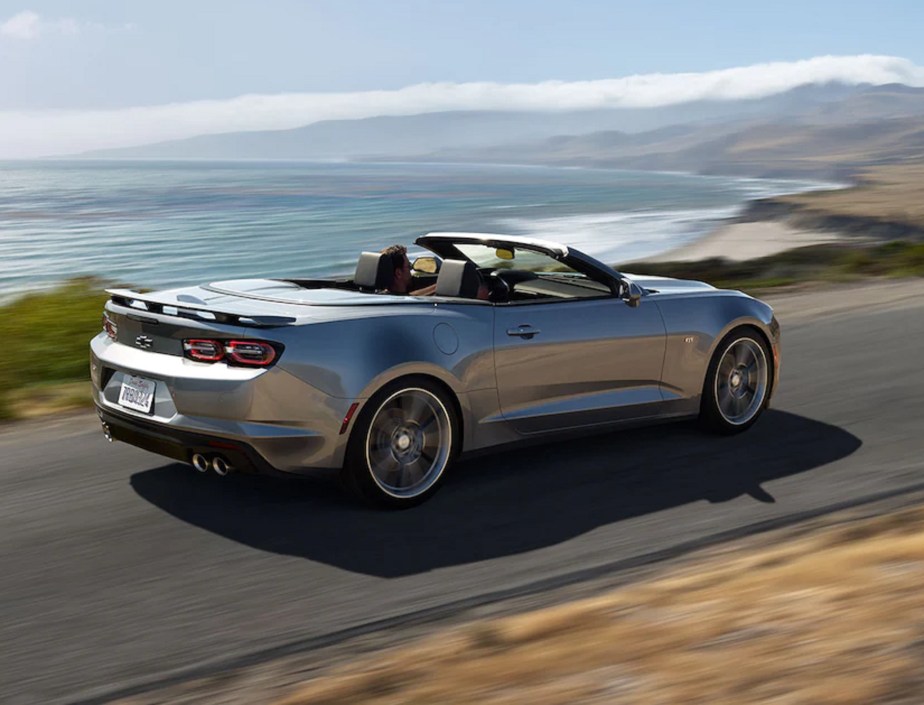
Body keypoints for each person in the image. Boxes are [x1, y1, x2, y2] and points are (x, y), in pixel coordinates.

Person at [379, 244, 489, 300]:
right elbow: (410, 297)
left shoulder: (378, 295)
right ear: (398, 273)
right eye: (409, 267)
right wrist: (448, 285)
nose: (412, 271)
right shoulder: (404, 302)